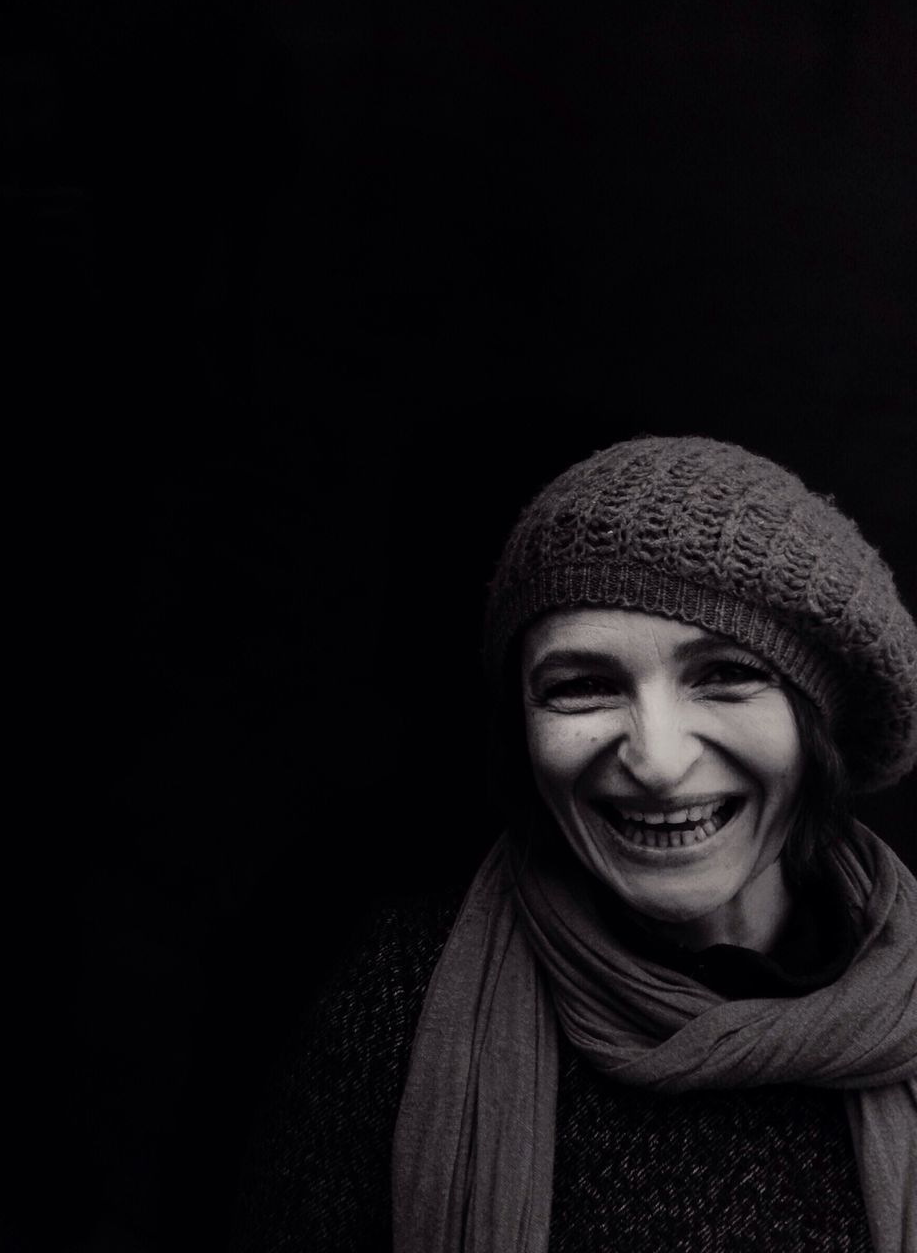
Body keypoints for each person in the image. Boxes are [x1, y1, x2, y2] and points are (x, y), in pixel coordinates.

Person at [230, 434, 917, 1253]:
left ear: (820, 722)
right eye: (583, 686)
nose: (657, 763)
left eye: (728, 674)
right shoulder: (394, 1013)